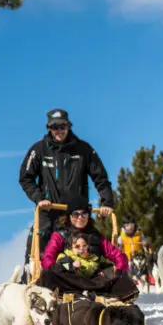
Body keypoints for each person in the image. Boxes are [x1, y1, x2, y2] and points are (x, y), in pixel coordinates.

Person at [19, 108, 116, 277]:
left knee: (86, 243)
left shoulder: (83, 149)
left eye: (62, 127)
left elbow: (100, 177)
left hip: (76, 212)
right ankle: (31, 277)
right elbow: (25, 178)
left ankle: (96, 279)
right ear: (49, 128)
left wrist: (107, 202)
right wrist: (39, 198)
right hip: (49, 209)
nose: (59, 131)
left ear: (68, 126)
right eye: (55, 127)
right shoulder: (39, 150)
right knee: (39, 239)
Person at [36, 195, 136, 300]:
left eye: (84, 213)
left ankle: (86, 295)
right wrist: (58, 268)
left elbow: (119, 255)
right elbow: (48, 257)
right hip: (69, 278)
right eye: (75, 214)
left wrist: (119, 272)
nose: (80, 217)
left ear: (88, 215)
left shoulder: (96, 236)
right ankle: (81, 295)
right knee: (47, 275)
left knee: (125, 282)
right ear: (69, 215)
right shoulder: (60, 234)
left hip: (93, 280)